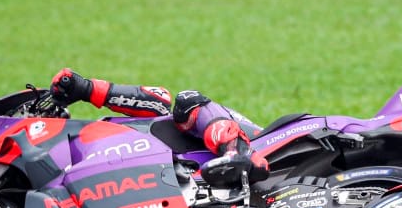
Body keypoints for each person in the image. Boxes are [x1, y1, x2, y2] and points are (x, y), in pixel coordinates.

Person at [49, 68, 269, 186]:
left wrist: (86, 89)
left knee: (187, 102)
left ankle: (237, 152)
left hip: (259, 142)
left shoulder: (119, 128)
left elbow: (159, 99)